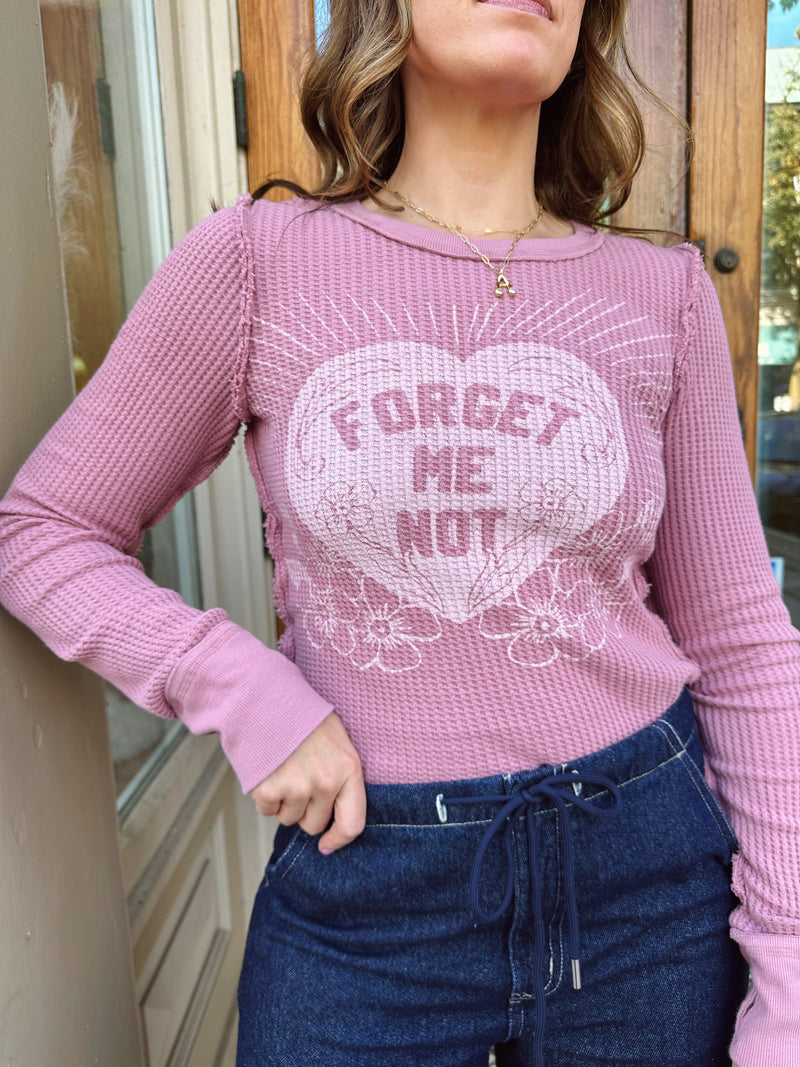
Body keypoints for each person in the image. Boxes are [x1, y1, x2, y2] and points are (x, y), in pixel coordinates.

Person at [0, 0, 798, 1063]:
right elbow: (44, 529)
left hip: (648, 895)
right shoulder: (256, 263)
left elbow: (743, 646)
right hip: (367, 908)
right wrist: (240, 688)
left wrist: (787, 986)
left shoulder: (662, 297)